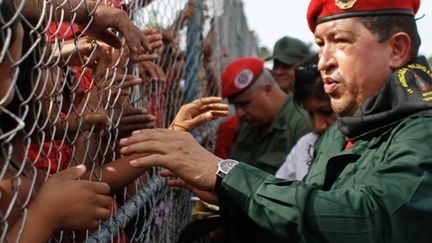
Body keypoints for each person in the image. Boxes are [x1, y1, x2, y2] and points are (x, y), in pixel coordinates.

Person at [120, 0, 432, 242]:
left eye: (341, 41)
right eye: (321, 44)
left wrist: (224, 175)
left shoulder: (423, 132)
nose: (324, 61)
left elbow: (369, 224)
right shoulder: (343, 129)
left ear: (396, 49)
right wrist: (231, 196)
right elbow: (308, 226)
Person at [215, 37, 310, 160]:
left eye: (244, 104)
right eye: (276, 65)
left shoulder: (302, 124)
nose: (239, 113)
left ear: (268, 90)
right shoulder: (247, 124)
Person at [275, 53, 336, 180]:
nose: (318, 125)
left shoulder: (376, 150)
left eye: (326, 111)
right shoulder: (305, 146)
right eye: (310, 114)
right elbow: (277, 193)